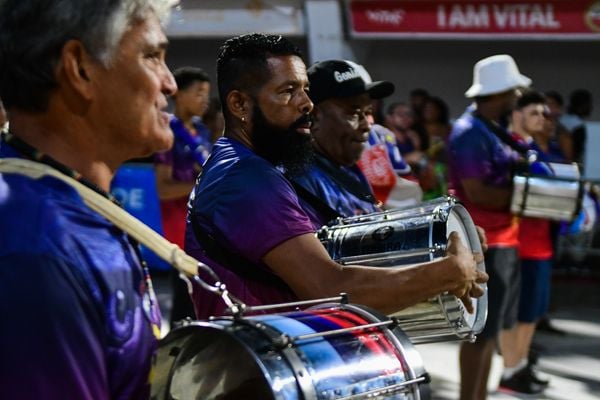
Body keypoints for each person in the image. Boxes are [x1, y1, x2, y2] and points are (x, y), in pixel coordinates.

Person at [185, 33, 487, 322]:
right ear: (240, 105)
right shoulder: (246, 178)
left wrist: (443, 239)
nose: (306, 104)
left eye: (305, 89)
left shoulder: (253, 167)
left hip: (286, 359)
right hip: (267, 365)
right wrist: (445, 273)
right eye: (288, 91)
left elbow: (346, 254)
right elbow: (328, 289)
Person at [0, 1, 177, 399]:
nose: (170, 83)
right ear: (79, 69)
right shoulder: (35, 250)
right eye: (152, 56)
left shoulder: (65, 207)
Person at [447, 54, 532, 399]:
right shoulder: (470, 133)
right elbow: (479, 192)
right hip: (484, 244)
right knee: (480, 333)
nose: (517, 98)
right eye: (514, 91)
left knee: (491, 331)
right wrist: (531, 195)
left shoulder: (490, 129)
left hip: (501, 242)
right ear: (501, 92)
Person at [507, 90, 556, 392]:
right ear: (518, 114)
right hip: (520, 244)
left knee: (532, 315)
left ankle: (522, 365)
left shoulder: (536, 150)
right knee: (520, 314)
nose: (542, 119)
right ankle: (512, 370)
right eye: (536, 113)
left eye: (544, 114)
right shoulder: (514, 150)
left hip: (541, 244)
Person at [154, 66, 212, 325]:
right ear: (179, 95)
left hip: (207, 229)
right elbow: (163, 189)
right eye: (198, 93)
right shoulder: (167, 130)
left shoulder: (201, 131)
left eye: (207, 94)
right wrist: (201, 182)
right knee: (185, 303)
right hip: (181, 232)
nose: (205, 100)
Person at [560, 89, 593, 166]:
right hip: (569, 164)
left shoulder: (562, 119)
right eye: (589, 104)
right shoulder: (578, 126)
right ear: (582, 105)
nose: (591, 107)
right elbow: (577, 152)